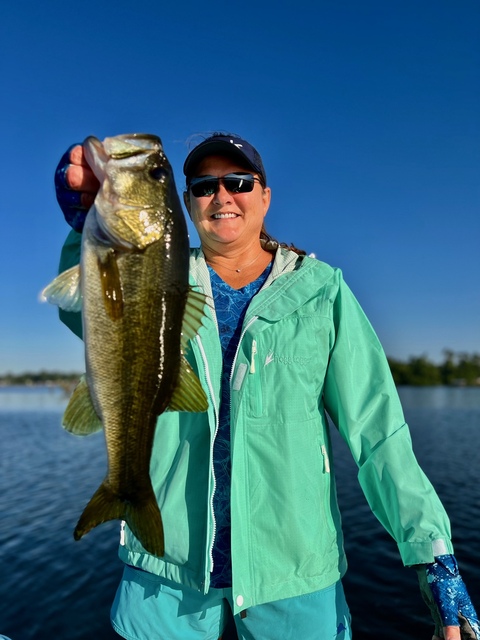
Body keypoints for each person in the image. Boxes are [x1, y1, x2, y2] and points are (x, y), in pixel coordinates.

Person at [54, 133, 479, 640]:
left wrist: (433, 552)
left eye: (238, 181)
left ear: (265, 195)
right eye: (204, 186)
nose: (222, 195)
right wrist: (82, 228)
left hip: (296, 571)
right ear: (187, 203)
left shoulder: (320, 289)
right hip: (163, 569)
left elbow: (378, 432)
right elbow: (87, 312)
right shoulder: (154, 272)